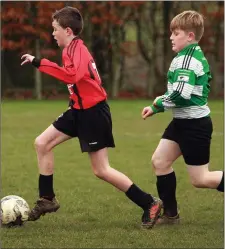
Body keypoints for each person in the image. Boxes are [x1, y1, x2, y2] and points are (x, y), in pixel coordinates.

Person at [21, 6, 162, 229]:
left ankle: (149, 202)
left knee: (101, 170)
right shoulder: (68, 49)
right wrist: (40, 62)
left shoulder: (79, 49)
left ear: (68, 30)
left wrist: (40, 62)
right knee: (42, 143)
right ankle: (47, 199)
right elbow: (71, 77)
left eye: (55, 29)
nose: (53, 33)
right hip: (77, 110)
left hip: (93, 114)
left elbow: (72, 75)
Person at [141, 10, 224, 224]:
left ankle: (170, 215)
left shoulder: (187, 59)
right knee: (160, 161)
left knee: (201, 179)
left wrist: (157, 104)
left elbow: (180, 94)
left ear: (189, 36)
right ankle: (171, 215)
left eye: (175, 33)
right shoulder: (185, 56)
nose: (171, 37)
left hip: (195, 126)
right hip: (181, 123)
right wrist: (158, 106)